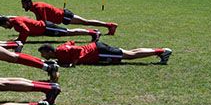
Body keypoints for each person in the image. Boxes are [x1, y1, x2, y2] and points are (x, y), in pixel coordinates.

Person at [21, 0, 118, 35]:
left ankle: (110, 25)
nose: (23, 7)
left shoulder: (38, 7)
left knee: (86, 22)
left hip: (64, 16)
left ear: (29, 3)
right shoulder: (34, 7)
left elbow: (43, 22)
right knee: (85, 22)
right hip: (63, 17)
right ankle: (108, 26)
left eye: (24, 4)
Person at [37, 41, 173, 66]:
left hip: (98, 52)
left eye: (43, 54)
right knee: (129, 52)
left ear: (49, 51)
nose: (42, 56)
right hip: (97, 47)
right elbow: (71, 42)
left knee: (130, 56)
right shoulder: (60, 49)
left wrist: (74, 63)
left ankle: (162, 51)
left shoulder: (61, 51)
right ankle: (160, 52)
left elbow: (77, 50)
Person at [0, 16, 102, 43]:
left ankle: (93, 32)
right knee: (68, 32)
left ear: (7, 22)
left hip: (47, 28)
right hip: (44, 27)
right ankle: (93, 32)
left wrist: (20, 41)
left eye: (5, 26)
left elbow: (26, 31)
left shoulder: (16, 22)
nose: (6, 28)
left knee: (68, 33)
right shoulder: (15, 20)